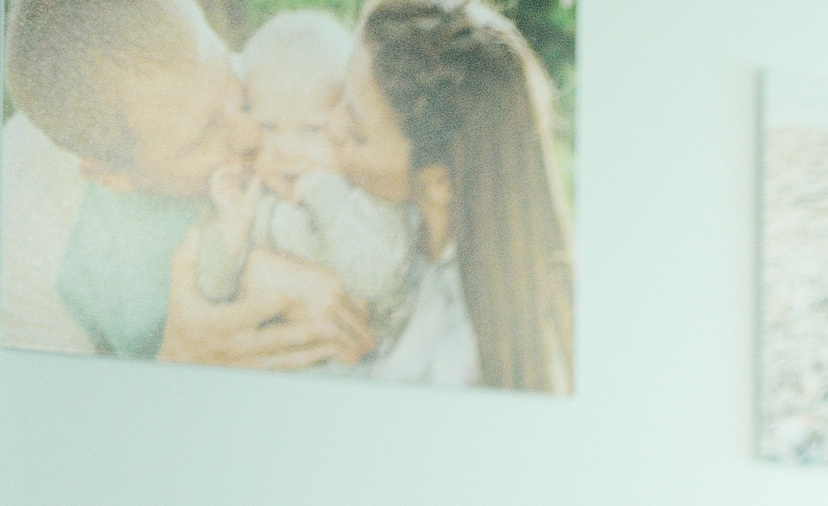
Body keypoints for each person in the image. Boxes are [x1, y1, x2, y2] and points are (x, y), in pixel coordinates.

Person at [0, 0, 371, 367]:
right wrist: (180, 361)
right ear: (112, 176)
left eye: (229, 78)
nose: (250, 134)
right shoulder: (30, 236)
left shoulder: (280, 76)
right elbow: (58, 419)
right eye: (203, 134)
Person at [326, 0, 575, 390]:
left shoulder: (457, 353)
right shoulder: (394, 216)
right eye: (340, 96)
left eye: (356, 132)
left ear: (440, 183)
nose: (329, 125)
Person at [195, 11, 417, 351]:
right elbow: (212, 288)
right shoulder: (253, 196)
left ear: (345, 123)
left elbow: (374, 280)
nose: (287, 151)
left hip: (357, 367)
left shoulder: (364, 195)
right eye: (269, 126)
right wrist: (229, 233)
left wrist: (324, 192)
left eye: (311, 130)